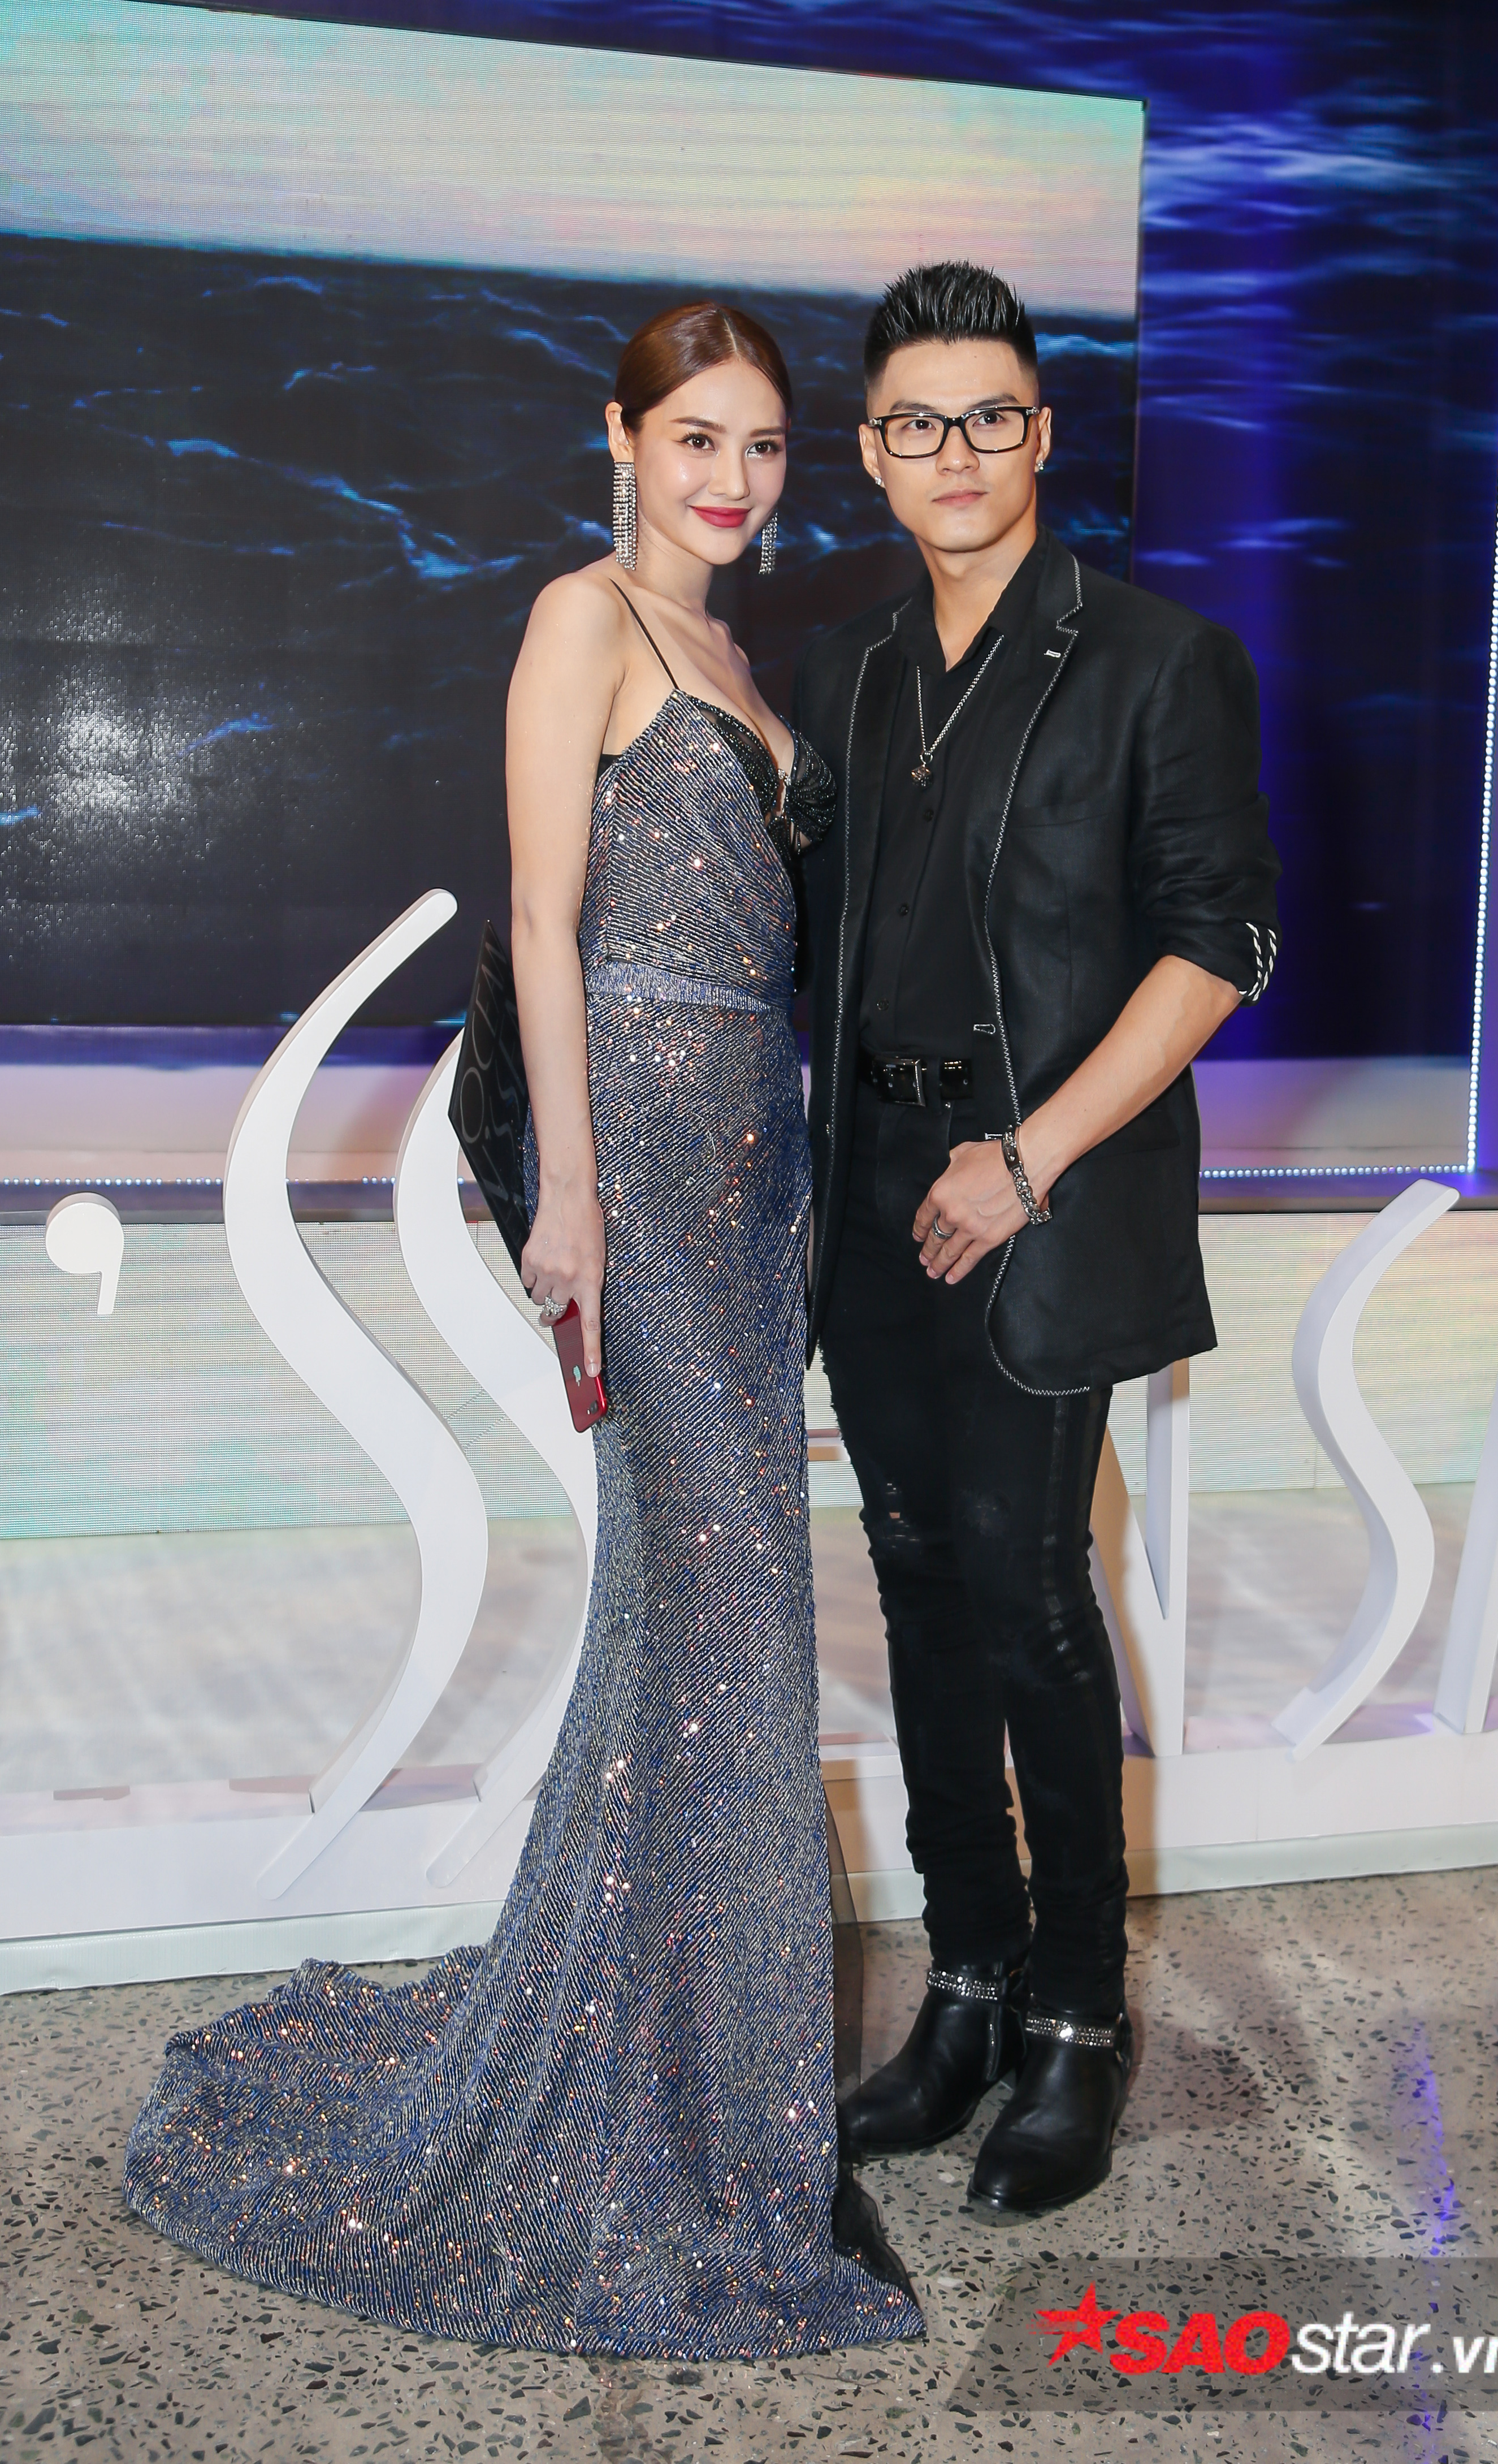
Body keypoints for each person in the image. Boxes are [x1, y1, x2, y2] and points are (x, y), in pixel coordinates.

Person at [123, 302, 924, 2357]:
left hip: (754, 1163)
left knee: (697, 1624)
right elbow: (547, 923)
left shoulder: (736, 657)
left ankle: (690, 2068)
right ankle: (721, 2119)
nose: (732, 480)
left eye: (761, 445)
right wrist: (565, 1188)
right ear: (621, 440)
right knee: (733, 1621)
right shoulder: (586, 621)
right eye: (696, 439)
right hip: (636, 1156)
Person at [794, 263, 1280, 2219]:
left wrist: (1028, 1155)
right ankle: (970, 1986)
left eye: (988, 416)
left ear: (1039, 434)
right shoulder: (845, 667)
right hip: (865, 1190)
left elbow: (1219, 943)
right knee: (914, 1585)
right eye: (917, 423)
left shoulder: (1158, 658)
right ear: (870, 452)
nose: (956, 453)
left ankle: (1080, 2015)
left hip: (1034, 1189)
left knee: (1027, 1595)